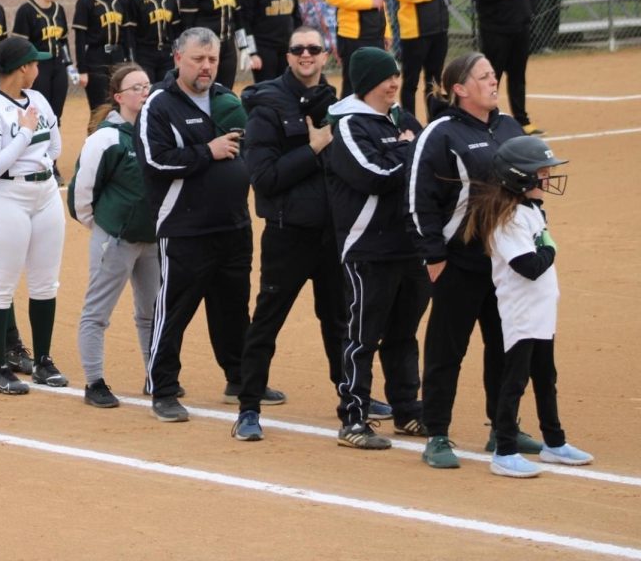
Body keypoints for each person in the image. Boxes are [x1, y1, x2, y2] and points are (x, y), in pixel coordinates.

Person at [408, 52, 540, 470]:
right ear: (460, 89)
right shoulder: (441, 133)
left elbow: (531, 189)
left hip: (506, 262)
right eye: (483, 76)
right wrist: (433, 256)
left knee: (505, 346)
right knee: (448, 349)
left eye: (492, 75)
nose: (492, 81)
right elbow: (418, 199)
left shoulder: (508, 127)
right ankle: (437, 434)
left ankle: (502, 429)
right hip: (458, 261)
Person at [231, 26, 351, 442]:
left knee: (339, 320)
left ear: (324, 55)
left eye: (314, 49)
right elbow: (264, 178)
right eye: (298, 49)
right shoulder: (267, 107)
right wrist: (313, 148)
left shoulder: (335, 104)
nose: (306, 55)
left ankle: (351, 398)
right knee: (267, 321)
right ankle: (248, 408)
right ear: (288, 55)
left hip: (333, 234)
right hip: (287, 233)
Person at [135, 27, 253, 423]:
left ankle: (240, 379)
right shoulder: (160, 104)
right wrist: (208, 151)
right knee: (174, 310)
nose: (206, 67)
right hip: (185, 228)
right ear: (178, 60)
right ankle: (164, 389)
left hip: (233, 226)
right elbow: (155, 160)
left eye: (212, 59)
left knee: (234, 309)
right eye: (198, 59)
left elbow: (247, 150)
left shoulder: (224, 99)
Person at [464, 135, 593, 477]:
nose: (548, 179)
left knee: (546, 377)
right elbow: (529, 266)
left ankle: (554, 442)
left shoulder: (531, 210)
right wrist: (551, 247)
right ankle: (504, 450)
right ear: (520, 178)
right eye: (542, 173)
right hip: (521, 313)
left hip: (541, 312)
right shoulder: (507, 220)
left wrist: (546, 242)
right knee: (515, 380)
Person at [322, 47, 429, 450]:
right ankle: (353, 418)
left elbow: (430, 162)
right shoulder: (348, 125)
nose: (394, 83)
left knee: (404, 334)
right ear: (367, 83)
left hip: (409, 245)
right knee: (362, 336)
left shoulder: (404, 119)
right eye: (387, 78)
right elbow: (374, 174)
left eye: (396, 75)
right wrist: (404, 148)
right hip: (368, 247)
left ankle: (407, 411)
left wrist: (403, 147)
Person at [0, 35, 67, 395]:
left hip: (44, 193)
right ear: (22, 68)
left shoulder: (37, 99)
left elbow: (55, 145)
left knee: (45, 282)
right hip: (5, 196)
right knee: (2, 285)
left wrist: (33, 146)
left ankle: (42, 361)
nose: (39, 69)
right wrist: (25, 134)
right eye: (35, 63)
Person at [70, 63, 159, 408]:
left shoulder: (157, 131)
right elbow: (82, 191)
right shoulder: (106, 138)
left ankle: (156, 376)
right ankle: (94, 383)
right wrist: (103, 225)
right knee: (97, 312)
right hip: (116, 239)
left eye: (147, 86)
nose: (144, 92)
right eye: (136, 88)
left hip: (150, 239)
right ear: (119, 97)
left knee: (151, 312)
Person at [469, 0, 543, 135]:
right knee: (492, 77)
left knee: (518, 75)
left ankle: (522, 120)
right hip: (495, 29)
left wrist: (530, 8)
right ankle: (487, 120)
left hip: (519, 26)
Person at [178, 0, 253, 91]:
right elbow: (187, 26)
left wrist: (245, 47)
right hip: (205, 48)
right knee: (204, 89)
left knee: (226, 91)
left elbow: (238, 19)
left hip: (228, 47)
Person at [13, 0, 71, 133]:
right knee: (39, 111)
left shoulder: (58, 9)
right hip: (38, 67)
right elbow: (21, 44)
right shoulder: (26, 10)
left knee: (56, 114)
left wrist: (69, 65)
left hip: (58, 65)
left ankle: (52, 158)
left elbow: (63, 40)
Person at [73, 0, 128, 110]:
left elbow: (126, 35)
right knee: (99, 107)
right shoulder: (86, 1)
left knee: (119, 105)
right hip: (96, 57)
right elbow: (80, 38)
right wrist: (82, 70)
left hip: (117, 55)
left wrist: (128, 60)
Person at [123, 0, 178, 85]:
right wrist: (132, 60)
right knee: (146, 92)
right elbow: (129, 33)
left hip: (166, 54)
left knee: (166, 92)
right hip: (144, 55)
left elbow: (175, 29)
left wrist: (177, 52)